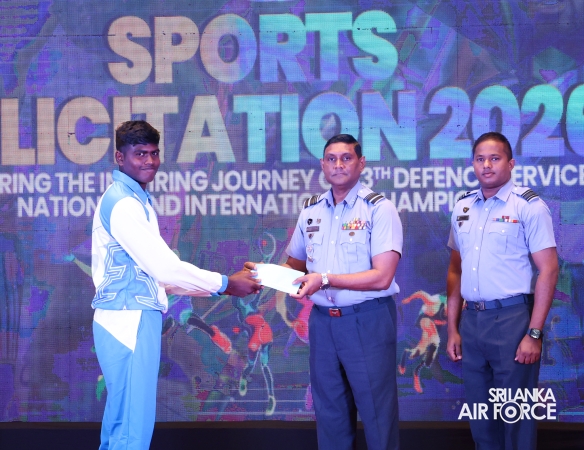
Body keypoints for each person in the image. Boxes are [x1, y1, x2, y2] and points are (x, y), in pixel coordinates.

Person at [91, 120, 260, 450]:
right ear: (119, 157)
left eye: (154, 153)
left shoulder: (134, 199)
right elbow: (166, 271)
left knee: (122, 425)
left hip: (128, 318)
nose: (150, 161)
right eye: (140, 154)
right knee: (132, 431)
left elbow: (162, 279)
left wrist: (223, 285)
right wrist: (226, 284)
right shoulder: (124, 203)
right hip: (130, 321)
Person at [247, 134, 403, 449]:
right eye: (331, 159)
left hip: (367, 320)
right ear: (322, 164)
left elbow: (383, 277)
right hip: (323, 322)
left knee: (377, 414)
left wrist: (326, 279)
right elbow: (295, 266)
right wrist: (263, 275)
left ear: (361, 163)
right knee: (330, 415)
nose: (338, 165)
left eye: (346, 158)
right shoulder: (311, 210)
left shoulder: (379, 209)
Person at [446, 132, 558, 449]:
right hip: (472, 322)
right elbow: (455, 270)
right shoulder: (462, 207)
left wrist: (534, 333)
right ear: (473, 164)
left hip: (512, 321)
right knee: (481, 419)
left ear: (510, 163)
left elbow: (549, 270)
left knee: (516, 418)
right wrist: (453, 329)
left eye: (494, 158)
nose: (487, 165)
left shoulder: (529, 206)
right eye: (480, 159)